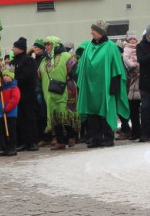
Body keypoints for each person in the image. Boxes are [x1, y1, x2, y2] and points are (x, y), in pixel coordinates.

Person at [76, 20, 129, 148]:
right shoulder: (88, 46)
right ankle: (95, 138)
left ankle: (108, 137)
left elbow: (117, 67)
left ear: (100, 32)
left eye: (93, 31)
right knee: (92, 113)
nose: (91, 33)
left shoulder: (111, 46)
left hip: (106, 87)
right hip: (90, 87)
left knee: (106, 112)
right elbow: (81, 66)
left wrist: (114, 86)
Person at [40, 36, 77, 149]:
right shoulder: (45, 60)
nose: (46, 47)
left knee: (65, 114)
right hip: (51, 93)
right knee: (55, 116)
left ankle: (72, 136)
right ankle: (60, 141)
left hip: (66, 90)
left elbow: (75, 71)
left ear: (55, 44)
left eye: (48, 44)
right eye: (45, 45)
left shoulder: (66, 56)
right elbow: (39, 74)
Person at [11, 37, 39, 151]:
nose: (12, 49)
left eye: (14, 47)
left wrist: (15, 81)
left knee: (30, 118)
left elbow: (27, 76)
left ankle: (32, 141)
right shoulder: (14, 62)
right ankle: (23, 141)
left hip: (27, 94)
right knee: (21, 118)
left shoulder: (28, 60)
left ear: (20, 48)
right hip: (16, 95)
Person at [120, 34, 141, 140]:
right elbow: (126, 60)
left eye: (134, 39)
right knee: (133, 110)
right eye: (131, 39)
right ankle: (135, 131)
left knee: (145, 110)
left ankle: (141, 131)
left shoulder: (140, 48)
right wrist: (132, 66)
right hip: (131, 84)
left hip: (141, 83)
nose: (133, 41)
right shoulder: (126, 50)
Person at [0, 69, 20, 156]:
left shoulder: (14, 87)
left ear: (11, 77)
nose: (5, 78)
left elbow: (15, 100)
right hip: (2, 113)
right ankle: (5, 147)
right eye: (4, 76)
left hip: (10, 113)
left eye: (7, 76)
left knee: (11, 131)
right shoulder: (2, 87)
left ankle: (12, 147)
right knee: (3, 131)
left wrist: (7, 109)